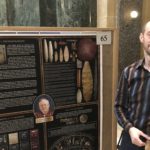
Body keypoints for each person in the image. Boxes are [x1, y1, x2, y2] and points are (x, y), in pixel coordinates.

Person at [114, 21, 150, 150]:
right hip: (132, 142)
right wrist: (130, 129)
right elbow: (118, 107)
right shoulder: (129, 72)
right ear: (142, 37)